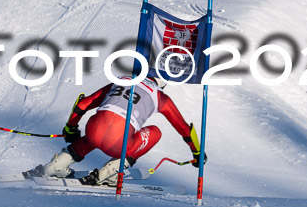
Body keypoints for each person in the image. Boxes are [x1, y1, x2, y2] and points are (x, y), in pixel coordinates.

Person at [26, 76, 206, 186]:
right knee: (155, 132)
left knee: (101, 126)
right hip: (118, 144)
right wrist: (197, 151)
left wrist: (71, 127)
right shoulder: (160, 96)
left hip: (93, 129)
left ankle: (55, 165)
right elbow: (183, 128)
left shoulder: (124, 79)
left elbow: (83, 103)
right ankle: (106, 173)